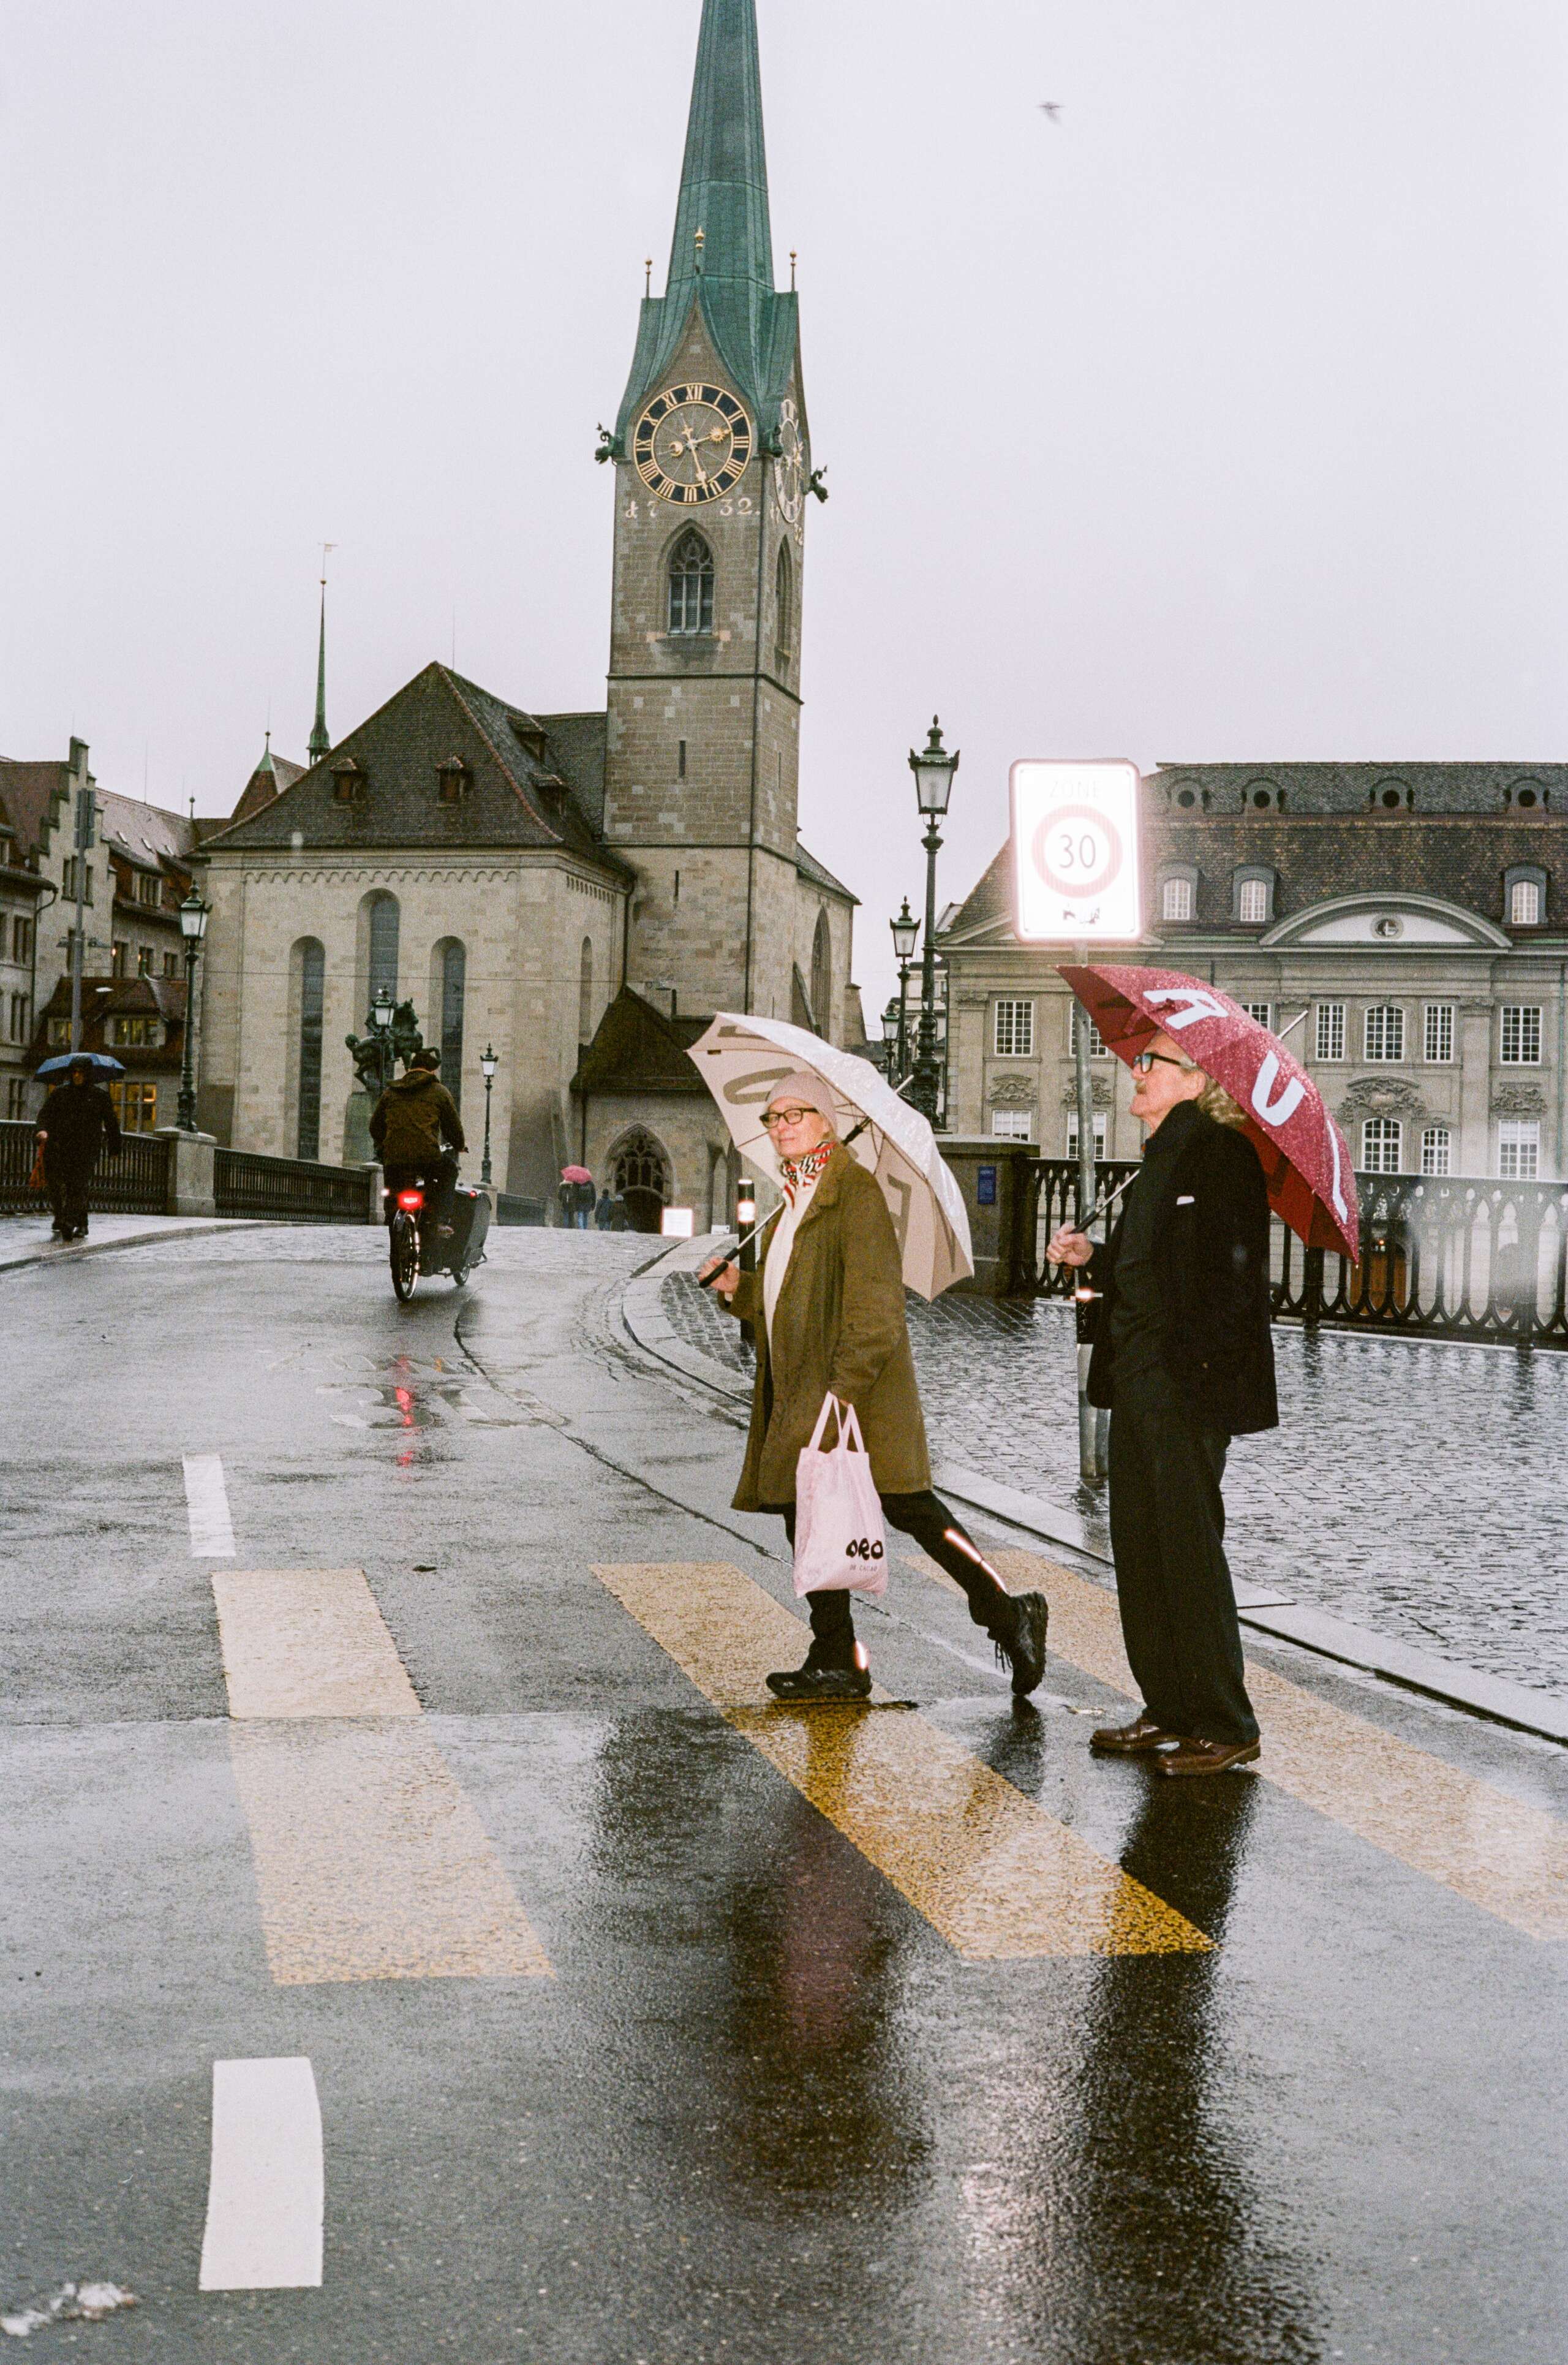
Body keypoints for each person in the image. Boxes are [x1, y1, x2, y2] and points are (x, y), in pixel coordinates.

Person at [700, 1072, 1049, 1701]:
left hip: (851, 1396)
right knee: (802, 1509)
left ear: (826, 1122)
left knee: (911, 1509)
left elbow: (876, 1309)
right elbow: (788, 1302)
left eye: (794, 1113)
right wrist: (738, 1290)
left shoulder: (853, 1194)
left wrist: (842, 1393)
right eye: (773, 1116)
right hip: (803, 1389)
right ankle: (837, 1656)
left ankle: (1006, 1612)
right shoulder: (792, 1201)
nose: (780, 1125)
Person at [1046, 1029, 1277, 1777]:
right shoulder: (1156, 1162)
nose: (1134, 1072)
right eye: (1138, 1059)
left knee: (1186, 1550)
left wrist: (1195, 1372)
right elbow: (1148, 1264)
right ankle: (1168, 1707)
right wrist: (1094, 1259)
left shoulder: (1221, 1153)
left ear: (1193, 1078)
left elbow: (1228, 1280)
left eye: (1151, 1062)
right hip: (1136, 1379)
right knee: (1140, 1550)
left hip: (1185, 1387)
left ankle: (1223, 1719)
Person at [370, 1048, 465, 1232]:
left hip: (394, 1157)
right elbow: (453, 1127)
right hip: (427, 1157)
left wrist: (384, 1146)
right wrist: (460, 1145)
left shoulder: (390, 1092)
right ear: (432, 1071)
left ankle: (392, 1218)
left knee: (393, 1193)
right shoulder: (439, 1092)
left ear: (410, 1069)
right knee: (449, 1171)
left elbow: (375, 1126)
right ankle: (439, 1220)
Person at [35, 1063, 121, 1242]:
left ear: (87, 1075)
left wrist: (114, 1147)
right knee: (66, 1184)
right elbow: (45, 1115)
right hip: (62, 1147)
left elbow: (111, 1123)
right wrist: (42, 1130)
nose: (77, 1076)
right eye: (74, 1072)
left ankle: (69, 1221)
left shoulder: (99, 1096)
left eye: (81, 1072)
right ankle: (80, 1222)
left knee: (78, 1184)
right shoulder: (61, 1093)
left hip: (87, 1149)